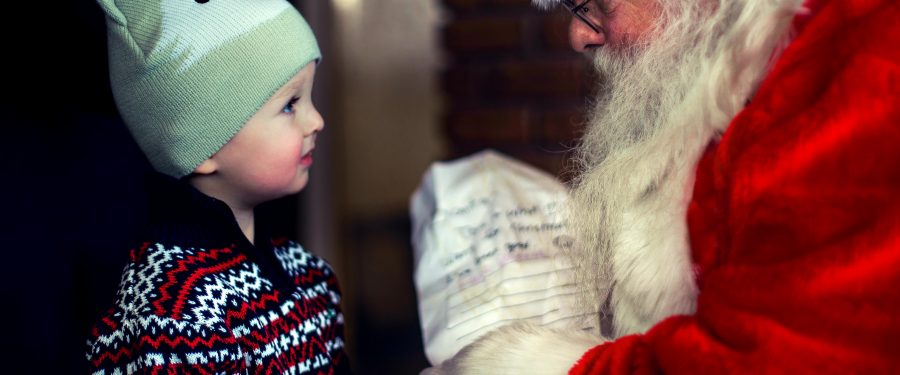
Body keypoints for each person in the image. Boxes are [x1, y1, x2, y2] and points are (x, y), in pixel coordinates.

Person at [427, 0, 900, 373]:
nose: (580, 35)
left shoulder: (864, 50)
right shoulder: (762, 64)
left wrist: (531, 365)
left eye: (590, 5)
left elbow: (782, 358)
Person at [86, 0, 351, 373]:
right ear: (201, 145)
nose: (317, 121)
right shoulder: (171, 320)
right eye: (290, 105)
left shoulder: (309, 275)